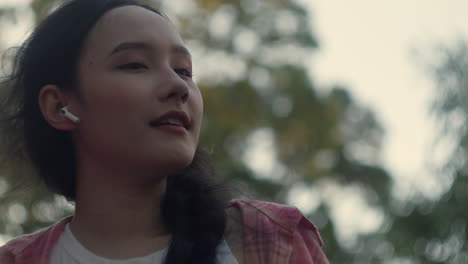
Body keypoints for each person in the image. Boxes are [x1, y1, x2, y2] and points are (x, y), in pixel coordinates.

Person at [0, 0, 329, 263]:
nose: (178, 86)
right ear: (59, 106)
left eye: (184, 70)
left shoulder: (271, 239)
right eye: (135, 64)